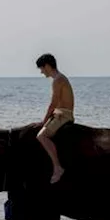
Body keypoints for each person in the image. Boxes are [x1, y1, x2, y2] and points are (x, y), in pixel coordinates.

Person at [35, 53, 74, 183]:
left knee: (41, 136)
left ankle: (57, 168)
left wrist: (44, 120)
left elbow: (53, 103)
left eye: (41, 68)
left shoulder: (58, 80)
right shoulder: (59, 78)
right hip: (60, 112)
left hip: (64, 114)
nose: (41, 72)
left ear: (47, 66)